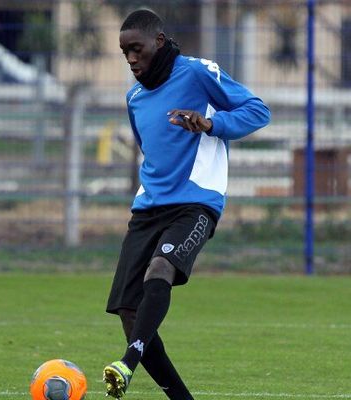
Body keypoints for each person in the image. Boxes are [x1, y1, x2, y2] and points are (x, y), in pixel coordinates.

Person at [103, 8, 271, 400]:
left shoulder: (197, 72)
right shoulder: (134, 98)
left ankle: (127, 364)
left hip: (196, 202)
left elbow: (258, 111)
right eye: (124, 52)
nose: (131, 59)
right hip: (148, 208)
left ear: (158, 42)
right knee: (129, 312)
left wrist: (211, 124)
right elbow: (151, 150)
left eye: (137, 49)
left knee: (160, 269)